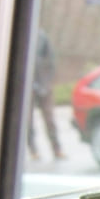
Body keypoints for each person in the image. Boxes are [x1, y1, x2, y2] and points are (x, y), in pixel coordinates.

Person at [28, 29, 64, 160]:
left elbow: (51, 60)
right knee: (27, 121)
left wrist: (47, 80)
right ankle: (33, 150)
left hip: (43, 84)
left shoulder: (42, 37)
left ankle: (57, 149)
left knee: (49, 119)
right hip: (26, 86)